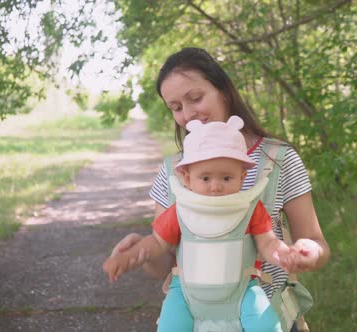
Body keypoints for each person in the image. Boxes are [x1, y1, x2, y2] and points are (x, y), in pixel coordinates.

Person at [112, 47, 330, 328]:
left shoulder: (278, 159)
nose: (188, 114)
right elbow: (165, 263)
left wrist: (309, 253)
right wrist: (140, 254)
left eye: (196, 98)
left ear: (224, 91)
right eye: (176, 107)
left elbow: (317, 241)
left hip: (265, 318)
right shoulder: (173, 172)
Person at [104, 116, 302, 331]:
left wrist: (283, 254)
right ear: (187, 178)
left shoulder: (250, 208)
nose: (216, 187)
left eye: (226, 178)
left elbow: (267, 243)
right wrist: (129, 257)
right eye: (205, 178)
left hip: (243, 291)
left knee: (267, 325)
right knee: (170, 326)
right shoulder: (179, 210)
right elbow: (156, 243)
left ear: (243, 177)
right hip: (186, 294)